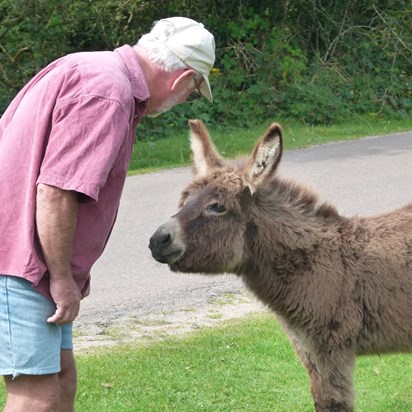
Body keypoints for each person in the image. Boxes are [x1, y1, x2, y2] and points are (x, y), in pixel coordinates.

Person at [0, 16, 215, 411]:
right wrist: (62, 277)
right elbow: (56, 191)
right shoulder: (108, 93)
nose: (185, 100)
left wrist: (71, 267)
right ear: (182, 79)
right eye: (192, 92)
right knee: (37, 397)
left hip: (33, 259)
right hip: (20, 262)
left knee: (62, 380)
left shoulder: (90, 68)